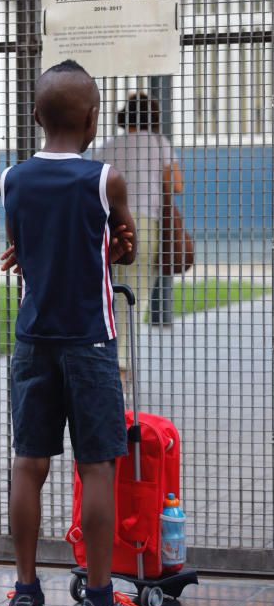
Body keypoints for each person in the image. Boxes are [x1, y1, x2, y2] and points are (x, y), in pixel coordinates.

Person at [0, 61, 163, 606]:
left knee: (29, 463)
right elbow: (123, 246)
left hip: (32, 340)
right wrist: (121, 246)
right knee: (97, 468)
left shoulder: (11, 178)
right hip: (90, 341)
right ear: (93, 118)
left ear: (37, 117)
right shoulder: (104, 178)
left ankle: (25, 596)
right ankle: (99, 600)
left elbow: (24, 249)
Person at [96, 93, 183, 388]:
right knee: (136, 296)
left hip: (108, 226)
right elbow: (176, 185)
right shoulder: (159, 144)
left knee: (110, 293)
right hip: (145, 224)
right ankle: (120, 367)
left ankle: (106, 357)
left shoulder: (108, 147)